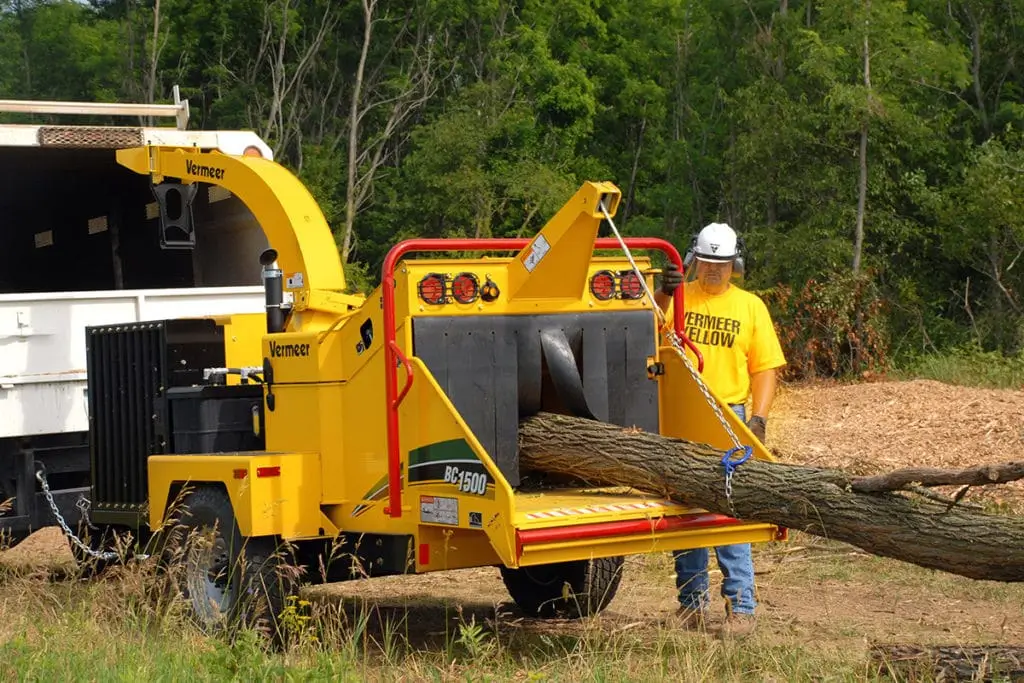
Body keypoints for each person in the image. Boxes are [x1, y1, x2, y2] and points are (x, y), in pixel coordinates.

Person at [654, 221, 786, 638]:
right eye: (707, 262)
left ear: (735, 264)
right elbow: (640, 325)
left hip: (729, 414)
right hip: (679, 410)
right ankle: (691, 605)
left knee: (730, 509)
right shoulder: (678, 298)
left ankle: (742, 608)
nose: (714, 270)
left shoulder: (751, 307)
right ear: (694, 260)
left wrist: (757, 420)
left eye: (722, 264)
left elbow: (765, 368)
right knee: (688, 509)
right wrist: (662, 289)